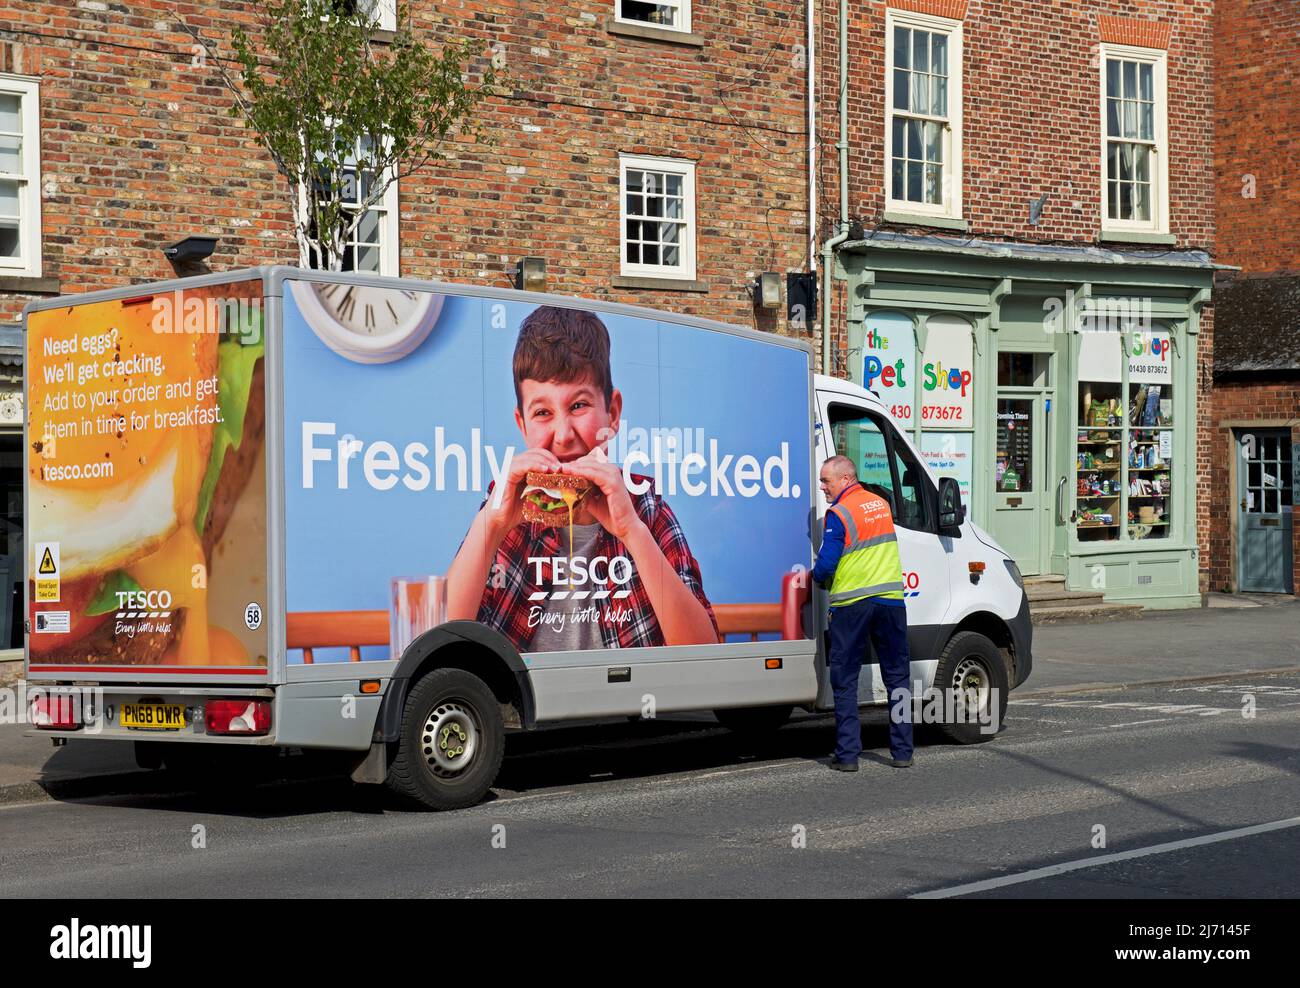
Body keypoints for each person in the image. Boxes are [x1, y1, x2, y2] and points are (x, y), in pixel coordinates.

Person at [445, 305, 718, 652]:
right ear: (522, 425)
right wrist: (492, 525)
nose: (563, 434)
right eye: (543, 412)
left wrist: (632, 531)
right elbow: (444, 642)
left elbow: (702, 652)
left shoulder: (645, 508)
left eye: (578, 406)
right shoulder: (505, 507)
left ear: (613, 413)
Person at [811, 455, 914, 771]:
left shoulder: (839, 512)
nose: (822, 486)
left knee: (844, 679)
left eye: (826, 480)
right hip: (891, 602)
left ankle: (847, 756)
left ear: (844, 479)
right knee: (898, 678)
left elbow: (827, 563)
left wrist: (813, 578)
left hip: (853, 606)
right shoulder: (879, 504)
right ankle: (902, 752)